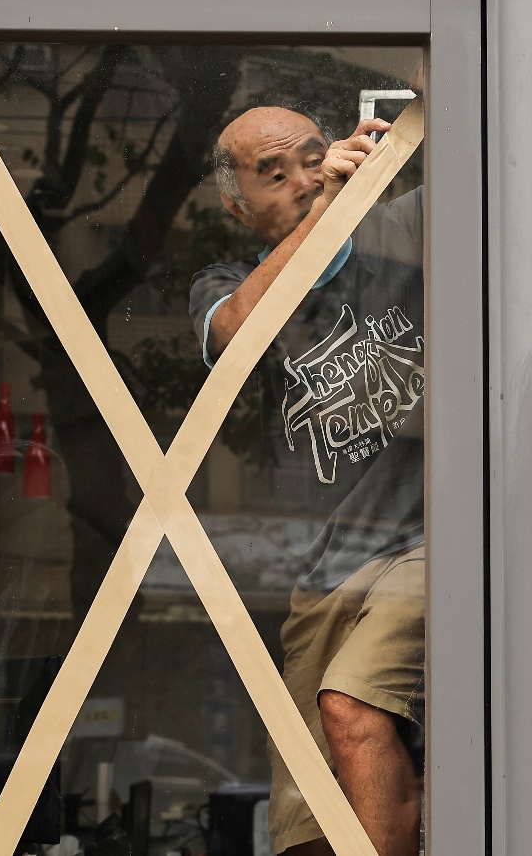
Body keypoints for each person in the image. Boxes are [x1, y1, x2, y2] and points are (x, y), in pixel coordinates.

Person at [189, 105, 426, 856]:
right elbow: (231, 335)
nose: (304, 177)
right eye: (274, 173)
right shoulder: (225, 282)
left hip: (426, 542)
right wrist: (322, 217)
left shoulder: (405, 232)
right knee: (304, 828)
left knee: (351, 708)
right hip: (325, 575)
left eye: (314, 157)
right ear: (236, 206)